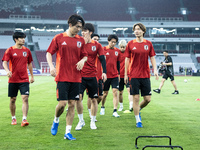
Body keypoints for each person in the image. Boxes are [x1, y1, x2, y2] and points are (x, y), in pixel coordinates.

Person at [46, 14, 87, 140]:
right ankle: (56, 119)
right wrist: (52, 67)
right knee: (62, 104)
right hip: (62, 77)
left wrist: (83, 61)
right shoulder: (58, 38)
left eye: (80, 27)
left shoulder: (80, 40)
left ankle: (68, 132)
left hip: (76, 77)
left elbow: (85, 55)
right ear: (70, 25)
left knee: (71, 104)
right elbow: (49, 53)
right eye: (77, 27)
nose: (79, 29)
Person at [124, 23, 159, 128]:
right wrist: (125, 74)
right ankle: (138, 120)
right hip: (134, 75)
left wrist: (155, 70)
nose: (136, 31)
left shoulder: (148, 44)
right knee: (136, 98)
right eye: (135, 29)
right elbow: (127, 59)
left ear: (143, 31)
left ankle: (137, 109)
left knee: (148, 99)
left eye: (138, 29)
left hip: (145, 75)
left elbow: (152, 57)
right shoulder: (130, 44)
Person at [75, 24, 107, 130]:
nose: (83, 32)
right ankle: (81, 121)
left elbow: (102, 59)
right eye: (82, 31)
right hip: (80, 76)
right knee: (78, 98)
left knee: (94, 99)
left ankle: (93, 121)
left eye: (85, 31)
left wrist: (104, 72)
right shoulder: (78, 43)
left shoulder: (97, 45)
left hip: (92, 75)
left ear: (90, 32)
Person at [2, 31, 34, 127]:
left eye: (24, 38)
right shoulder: (10, 50)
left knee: (25, 98)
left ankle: (24, 119)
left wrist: (32, 76)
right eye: (21, 38)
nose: (23, 40)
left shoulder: (27, 51)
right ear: (16, 39)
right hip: (13, 79)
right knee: (13, 99)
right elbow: (4, 62)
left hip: (24, 79)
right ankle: (13, 118)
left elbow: (29, 64)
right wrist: (7, 71)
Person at [100, 34, 121, 117]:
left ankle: (115, 110)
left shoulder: (117, 51)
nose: (113, 44)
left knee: (115, 92)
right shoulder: (103, 49)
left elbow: (118, 63)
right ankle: (102, 107)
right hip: (105, 75)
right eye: (112, 42)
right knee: (105, 94)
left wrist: (119, 74)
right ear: (108, 41)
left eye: (115, 42)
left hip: (115, 75)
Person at [87, 33, 103, 120]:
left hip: (99, 76)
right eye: (94, 39)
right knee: (91, 96)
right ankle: (90, 113)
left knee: (100, 96)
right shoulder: (89, 51)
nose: (96, 41)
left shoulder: (100, 50)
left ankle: (92, 109)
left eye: (97, 39)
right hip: (90, 76)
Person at [117, 40, 133, 113]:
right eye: (121, 47)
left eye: (124, 47)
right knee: (120, 92)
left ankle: (131, 106)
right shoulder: (117, 54)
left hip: (128, 75)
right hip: (120, 76)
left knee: (129, 90)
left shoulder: (129, 53)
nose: (122, 48)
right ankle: (121, 106)